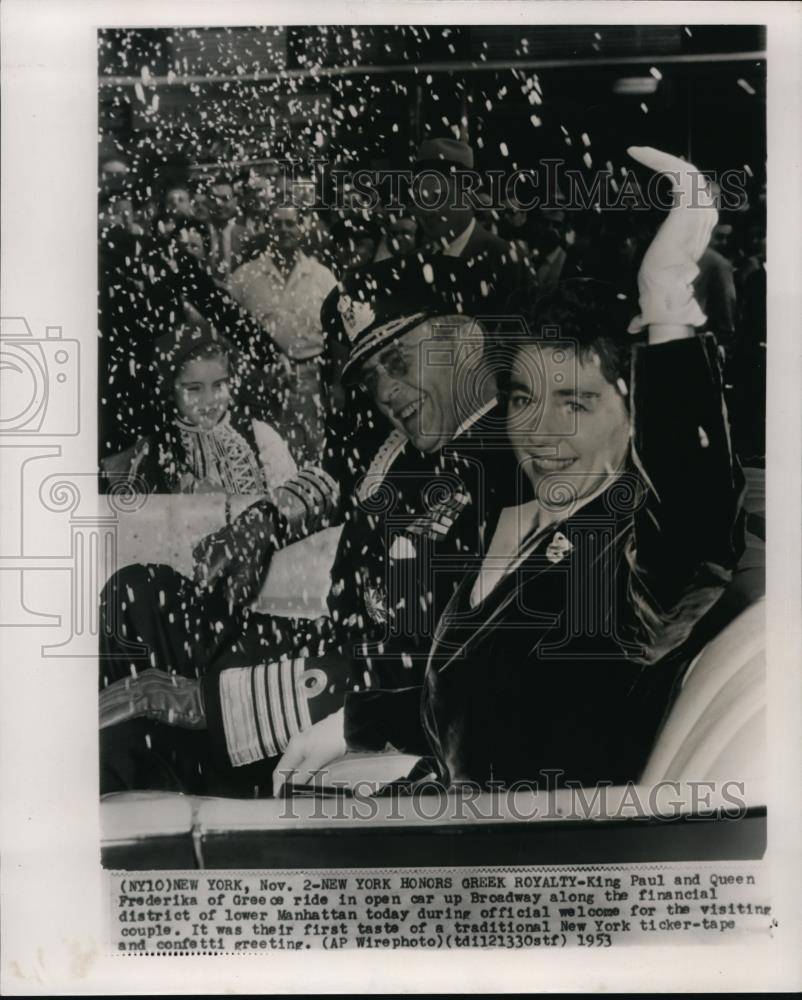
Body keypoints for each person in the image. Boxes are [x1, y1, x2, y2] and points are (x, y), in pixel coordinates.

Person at [273, 147, 746, 793]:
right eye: (523, 399)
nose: (539, 430)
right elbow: (483, 692)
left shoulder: (633, 551)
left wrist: (666, 308)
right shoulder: (540, 532)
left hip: (529, 853)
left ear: (635, 413)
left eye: (576, 402)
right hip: (458, 815)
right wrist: (356, 721)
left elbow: (696, 509)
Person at [98, 255, 515, 797]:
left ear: (465, 341)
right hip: (330, 652)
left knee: (135, 738)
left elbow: (429, 670)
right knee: (137, 596)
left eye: (398, 362)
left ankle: (176, 816)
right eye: (373, 376)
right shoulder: (402, 440)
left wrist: (218, 703)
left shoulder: (516, 470)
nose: (385, 393)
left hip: (368, 715)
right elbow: (332, 478)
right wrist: (264, 523)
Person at [101, 323, 296, 494]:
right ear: (170, 390)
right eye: (194, 389)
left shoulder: (260, 437)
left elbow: (289, 510)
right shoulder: (152, 455)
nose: (209, 400)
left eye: (219, 385)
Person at [229, 203, 338, 466]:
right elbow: (229, 334)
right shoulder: (245, 277)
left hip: (311, 380)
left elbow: (337, 336)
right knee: (270, 454)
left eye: (291, 223)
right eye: (277, 224)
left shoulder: (323, 277)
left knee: (313, 452)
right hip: (261, 382)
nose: (284, 230)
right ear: (268, 228)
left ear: (302, 227)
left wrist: (336, 384)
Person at [410, 137, 533, 314]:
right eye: (421, 199)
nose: (429, 211)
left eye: (439, 198)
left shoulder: (504, 258)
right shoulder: (417, 259)